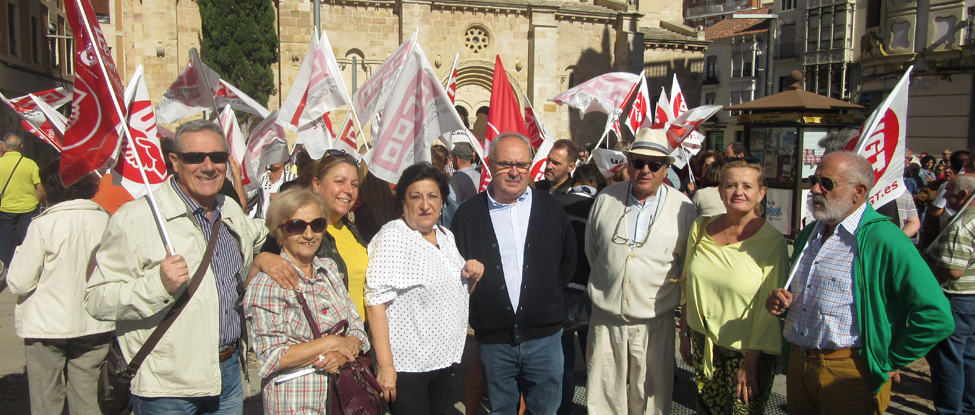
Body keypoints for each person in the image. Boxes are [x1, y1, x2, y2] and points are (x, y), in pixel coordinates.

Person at [85, 119, 268, 414]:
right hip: (167, 386)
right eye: (194, 157)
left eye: (217, 157)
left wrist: (265, 255)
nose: (208, 167)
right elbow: (96, 299)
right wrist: (157, 285)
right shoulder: (136, 218)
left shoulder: (230, 209)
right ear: (174, 161)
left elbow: (262, 234)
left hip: (228, 373)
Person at [765, 151, 953, 415]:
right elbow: (808, 298)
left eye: (826, 183)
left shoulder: (885, 238)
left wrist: (887, 361)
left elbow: (937, 315)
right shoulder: (810, 233)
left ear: (859, 191)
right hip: (797, 363)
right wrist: (780, 302)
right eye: (813, 180)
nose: (815, 189)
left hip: (850, 371)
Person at [451, 132, 577, 415]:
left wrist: (541, 301)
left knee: (545, 410)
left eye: (522, 164)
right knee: (501, 411)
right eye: (506, 163)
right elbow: (456, 271)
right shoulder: (468, 215)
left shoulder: (550, 208)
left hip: (545, 340)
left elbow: (566, 264)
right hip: (494, 343)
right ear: (490, 165)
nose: (514, 171)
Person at [585, 128, 697, 414]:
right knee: (603, 397)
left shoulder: (683, 208)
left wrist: (684, 331)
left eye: (654, 164)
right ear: (629, 163)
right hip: (606, 319)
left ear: (666, 168)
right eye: (638, 162)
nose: (645, 170)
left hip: (654, 324)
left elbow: (686, 266)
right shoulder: (606, 198)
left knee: (651, 400)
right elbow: (594, 252)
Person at [365, 163, 483, 415]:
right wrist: (386, 367)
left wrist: (471, 274)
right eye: (415, 197)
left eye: (433, 197)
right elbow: (375, 304)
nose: (425, 205)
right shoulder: (392, 237)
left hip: (441, 360)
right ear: (402, 202)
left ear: (442, 202)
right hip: (407, 366)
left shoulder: (445, 236)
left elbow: (456, 296)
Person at [243, 189, 369, 414]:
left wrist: (341, 354)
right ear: (279, 232)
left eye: (317, 224)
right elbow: (271, 355)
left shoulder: (328, 270)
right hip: (297, 402)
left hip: (343, 398)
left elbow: (357, 327)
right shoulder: (267, 284)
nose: (309, 234)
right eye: (297, 226)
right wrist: (332, 343)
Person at [678, 161, 788, 414]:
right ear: (720, 191)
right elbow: (687, 284)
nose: (739, 192)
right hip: (703, 341)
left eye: (747, 186)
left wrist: (751, 363)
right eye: (731, 185)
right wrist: (684, 333)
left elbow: (768, 311)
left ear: (761, 193)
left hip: (749, 351)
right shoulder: (701, 227)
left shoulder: (773, 242)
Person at [8, 165, 113, 415]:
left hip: (47, 324)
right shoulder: (105, 219)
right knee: (88, 396)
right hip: (94, 320)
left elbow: (20, 281)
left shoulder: (44, 224)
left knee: (46, 396)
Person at [252, 149, 370, 321]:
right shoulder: (297, 229)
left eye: (354, 184)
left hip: (360, 336)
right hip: (325, 338)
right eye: (340, 181)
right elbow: (259, 282)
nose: (349, 190)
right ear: (316, 184)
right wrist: (261, 259)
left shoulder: (354, 229)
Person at [554, 163, 603, 415]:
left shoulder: (557, 202)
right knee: (595, 356)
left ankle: (563, 410)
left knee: (565, 359)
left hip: (563, 287)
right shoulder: (604, 207)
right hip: (594, 291)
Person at [926, 173, 975, 415]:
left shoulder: (963, 223)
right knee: (969, 358)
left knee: (948, 360)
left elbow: (953, 270)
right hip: (971, 300)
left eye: (949, 190)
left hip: (958, 299)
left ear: (964, 195)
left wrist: (924, 263)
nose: (943, 195)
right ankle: (968, 408)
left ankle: (950, 410)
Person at [0, 133, 43, 266]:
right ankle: (26, 267)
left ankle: (5, 269)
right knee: (27, 239)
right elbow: (40, 188)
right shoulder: (30, 164)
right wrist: (37, 203)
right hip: (28, 207)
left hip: (5, 207)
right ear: (21, 146)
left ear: (6, 147)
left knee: (5, 241)